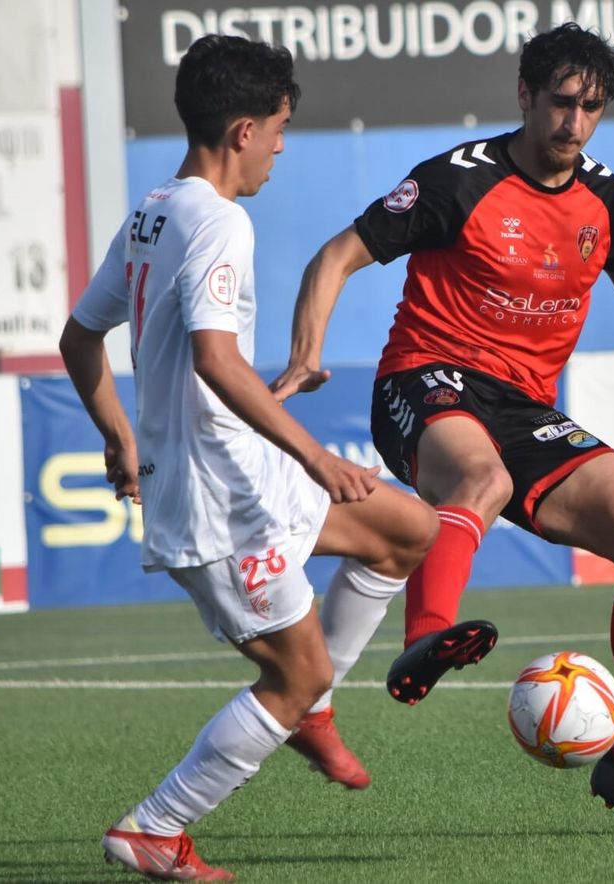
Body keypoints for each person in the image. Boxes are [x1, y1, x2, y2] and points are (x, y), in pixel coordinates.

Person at [272, 23, 614, 836]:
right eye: (563, 103)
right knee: (483, 481)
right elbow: (338, 255)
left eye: (593, 107)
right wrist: (307, 352)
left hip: (525, 409)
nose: (576, 123)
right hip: (423, 382)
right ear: (525, 97)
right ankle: (426, 640)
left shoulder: (601, 196)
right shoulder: (457, 181)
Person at [59, 35, 437, 880]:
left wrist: (119, 435)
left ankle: (311, 709)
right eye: (277, 128)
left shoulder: (157, 208)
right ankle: (156, 829)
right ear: (240, 130)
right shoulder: (221, 220)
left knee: (407, 530)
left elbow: (81, 336)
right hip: (216, 499)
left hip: (236, 471)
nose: (280, 146)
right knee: (294, 672)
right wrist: (318, 458)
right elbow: (214, 360)